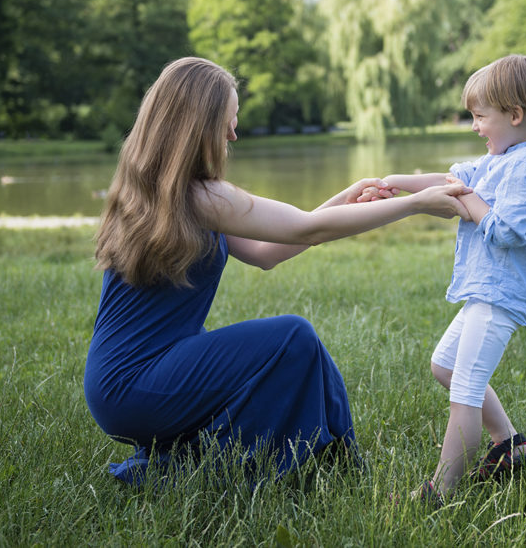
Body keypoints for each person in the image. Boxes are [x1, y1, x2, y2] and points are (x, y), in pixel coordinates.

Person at [83, 56, 470, 485]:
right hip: (136, 384)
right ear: (196, 124)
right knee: (292, 336)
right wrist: (416, 202)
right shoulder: (200, 197)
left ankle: (318, 461)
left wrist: (345, 198)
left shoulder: (160, 191)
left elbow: (268, 251)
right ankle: (336, 466)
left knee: (280, 346)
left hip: (118, 385)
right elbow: (308, 229)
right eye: (227, 121)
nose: (234, 133)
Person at [358, 54, 526, 504]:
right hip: (483, 290)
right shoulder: (499, 158)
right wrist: (394, 183)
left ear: (515, 115)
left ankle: (441, 491)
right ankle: (508, 444)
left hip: (501, 294)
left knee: (464, 391)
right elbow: (451, 179)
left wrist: (466, 205)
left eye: (479, 116)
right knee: (444, 367)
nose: (474, 126)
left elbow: (508, 229)